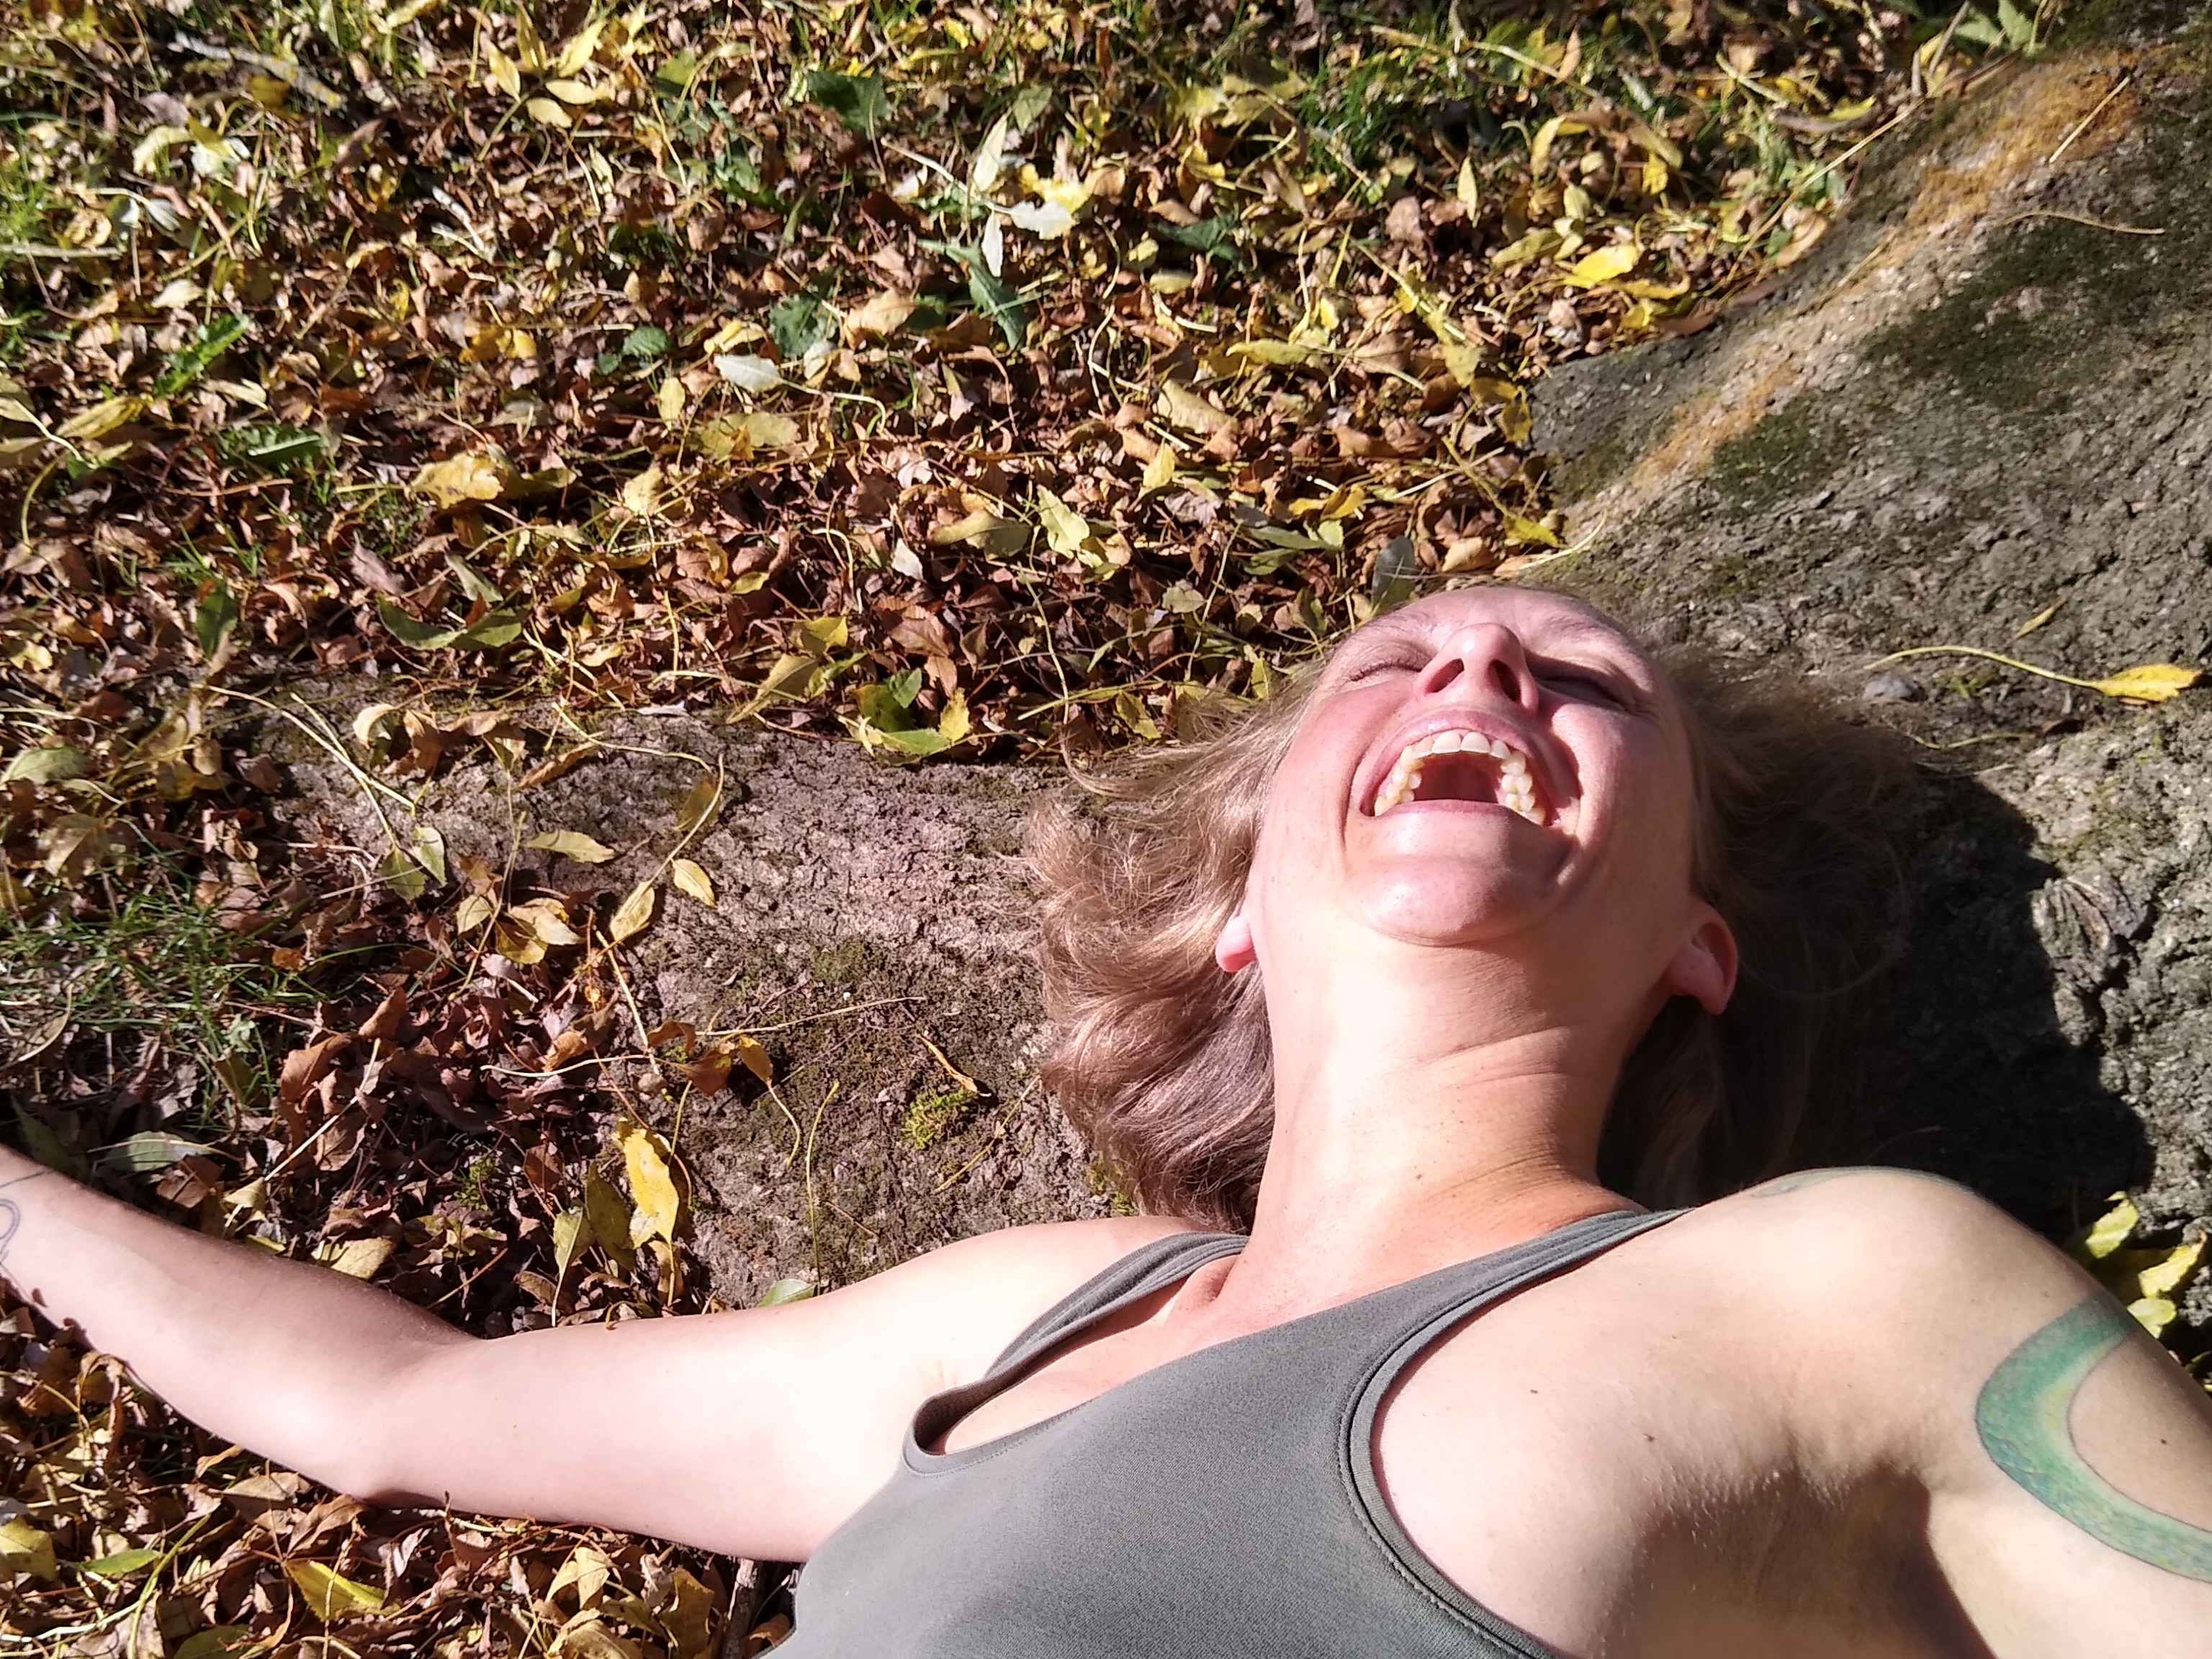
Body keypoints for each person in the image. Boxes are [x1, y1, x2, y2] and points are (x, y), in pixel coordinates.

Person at [5, 586, 2211, 1657]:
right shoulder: (1018, 1326)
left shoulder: (1842, 1293)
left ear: (1698, 952)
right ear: (1238, 905)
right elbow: (399, 1398)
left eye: (1581, 682)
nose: (1482, 686)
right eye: (1406, 660)